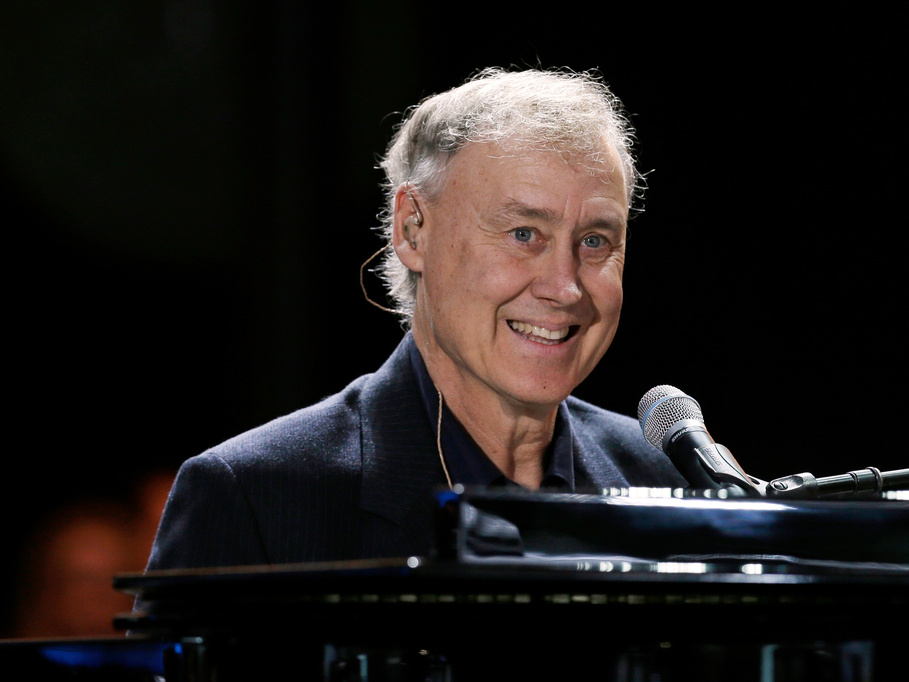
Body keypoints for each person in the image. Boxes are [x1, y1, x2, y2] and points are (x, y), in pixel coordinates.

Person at [145, 66, 687, 571]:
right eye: (524, 234)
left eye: (594, 241)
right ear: (412, 230)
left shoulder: (665, 482)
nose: (564, 287)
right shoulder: (256, 497)